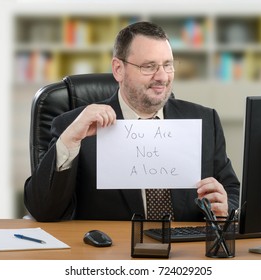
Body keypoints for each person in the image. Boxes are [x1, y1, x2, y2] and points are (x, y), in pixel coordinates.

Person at [24, 21, 240, 222]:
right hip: (112, 255)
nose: (162, 77)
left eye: (168, 65)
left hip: (187, 252)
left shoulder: (204, 120)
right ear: (119, 69)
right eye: (149, 66)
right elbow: (43, 210)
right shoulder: (75, 127)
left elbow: (231, 189)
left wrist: (226, 207)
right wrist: (69, 140)